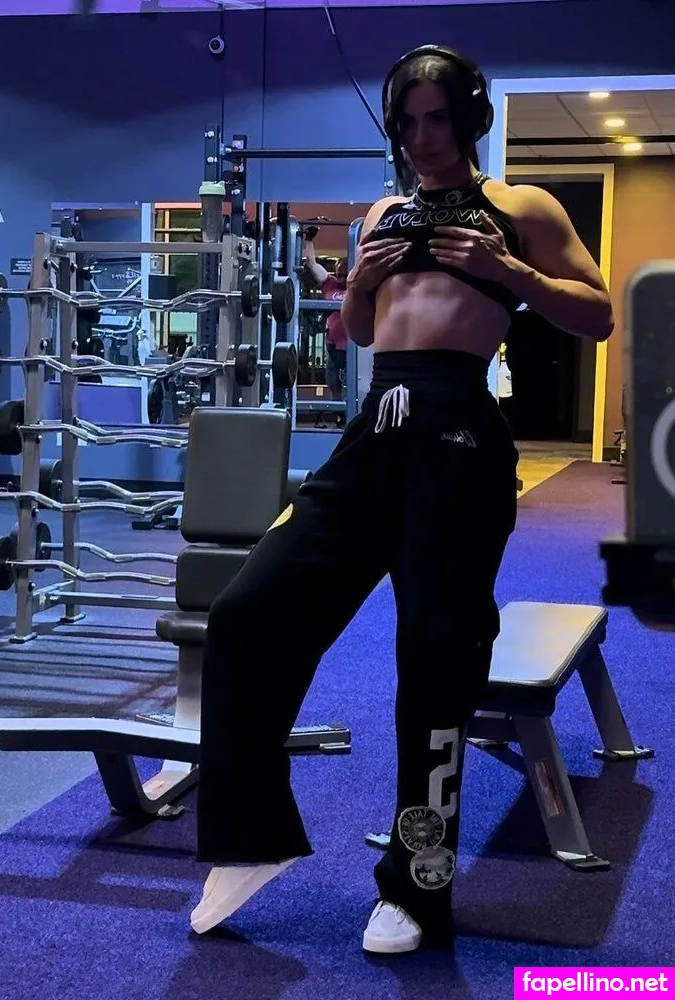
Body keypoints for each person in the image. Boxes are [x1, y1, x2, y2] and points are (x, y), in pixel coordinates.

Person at [190, 44, 613, 954]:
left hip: (459, 434)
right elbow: (363, 328)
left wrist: (510, 273)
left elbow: (598, 312)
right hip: (375, 426)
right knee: (247, 613)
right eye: (409, 123)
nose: (424, 139)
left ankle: (418, 890)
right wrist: (366, 283)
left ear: (470, 119)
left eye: (438, 119)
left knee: (435, 664)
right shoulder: (383, 213)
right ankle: (251, 836)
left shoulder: (521, 208)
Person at [303, 241, 349, 400]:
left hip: (354, 348)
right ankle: (336, 414)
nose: (341, 279)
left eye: (345, 275)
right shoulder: (330, 284)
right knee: (334, 386)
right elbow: (312, 263)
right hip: (333, 347)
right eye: (339, 274)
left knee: (352, 388)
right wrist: (309, 240)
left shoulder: (357, 286)